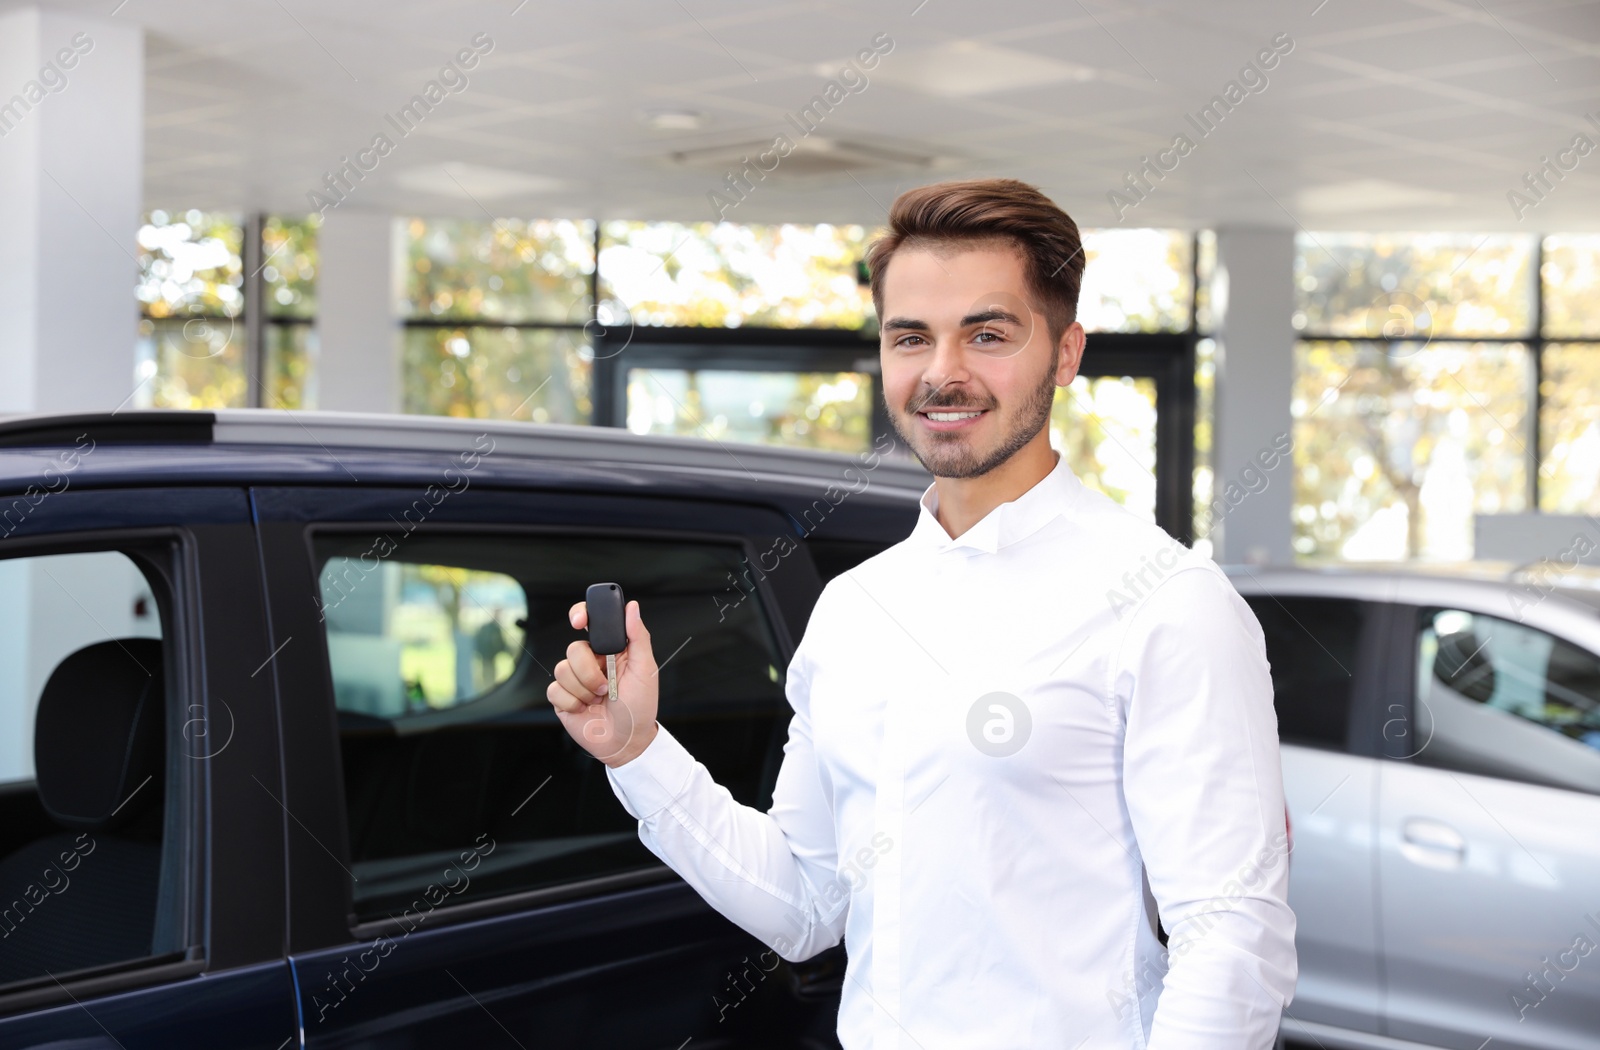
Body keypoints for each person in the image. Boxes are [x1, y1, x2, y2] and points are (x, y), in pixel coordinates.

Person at [546, 178, 1297, 1049]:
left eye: (988, 333)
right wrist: (639, 753)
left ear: (1064, 353)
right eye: (912, 337)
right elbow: (806, 905)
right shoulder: (855, 610)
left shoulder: (1169, 604)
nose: (944, 371)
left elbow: (1233, 940)